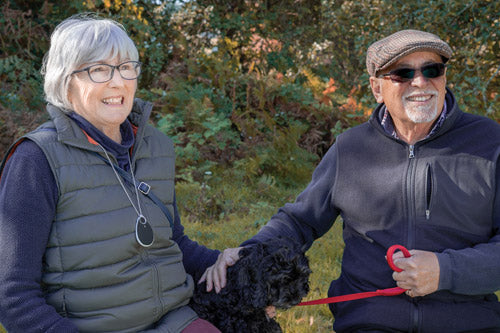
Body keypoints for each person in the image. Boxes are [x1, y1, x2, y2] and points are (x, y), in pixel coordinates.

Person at [203, 29, 500, 332]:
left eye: (432, 70)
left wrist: (446, 271)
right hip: (369, 322)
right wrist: (247, 253)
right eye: (402, 73)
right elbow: (299, 221)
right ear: (377, 88)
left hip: (470, 323)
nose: (421, 82)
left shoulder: (490, 142)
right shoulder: (351, 148)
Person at [0, 14, 222, 332]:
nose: (118, 82)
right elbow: (13, 295)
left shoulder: (156, 147)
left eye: (126, 67)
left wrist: (223, 262)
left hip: (173, 320)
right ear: (66, 82)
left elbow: (173, 242)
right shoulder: (35, 161)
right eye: (99, 69)